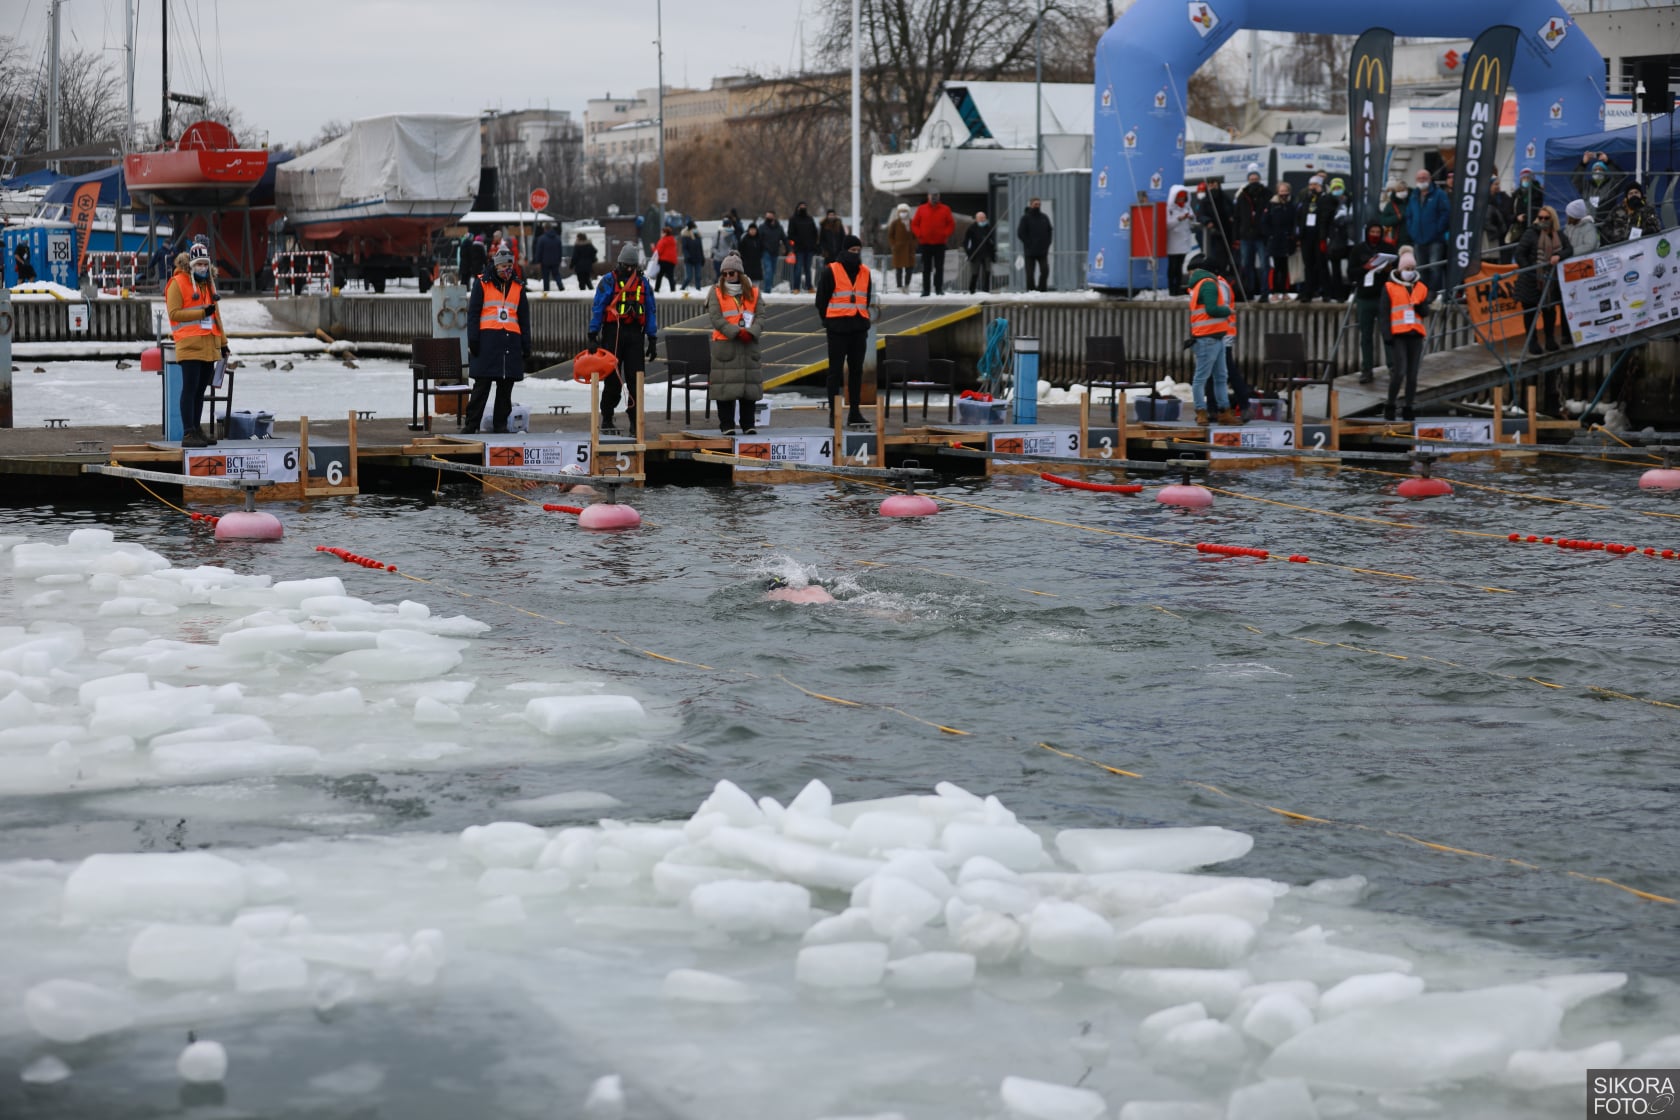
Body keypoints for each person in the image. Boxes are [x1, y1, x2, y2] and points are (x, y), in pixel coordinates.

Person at [588, 243, 660, 433]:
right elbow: (598, 307)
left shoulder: (643, 284)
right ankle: (607, 417)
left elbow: (650, 310)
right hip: (613, 333)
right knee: (612, 379)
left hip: (636, 334)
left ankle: (635, 420)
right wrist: (593, 334)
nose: (629, 270)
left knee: (636, 379)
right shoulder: (608, 282)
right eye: (626, 266)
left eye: (632, 266)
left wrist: (652, 339)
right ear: (619, 263)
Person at [814, 234, 880, 427]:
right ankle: (834, 415)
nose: (855, 254)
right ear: (844, 251)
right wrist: (827, 321)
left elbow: (865, 298)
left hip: (858, 328)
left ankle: (854, 412)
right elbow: (821, 301)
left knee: (856, 371)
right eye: (852, 250)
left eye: (858, 251)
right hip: (837, 328)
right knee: (834, 372)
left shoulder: (865, 272)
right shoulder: (831, 271)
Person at [166, 242, 228, 448]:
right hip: (189, 344)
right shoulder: (177, 283)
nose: (202, 267)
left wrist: (223, 343)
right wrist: (202, 313)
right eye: (199, 264)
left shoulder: (208, 285)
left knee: (201, 389)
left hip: (208, 345)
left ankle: (196, 428)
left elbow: (216, 315)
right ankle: (188, 432)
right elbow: (174, 313)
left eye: (205, 264)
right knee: (190, 388)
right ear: (190, 264)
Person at [463, 246, 530, 434]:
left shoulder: (518, 286)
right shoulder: (482, 283)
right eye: (503, 265)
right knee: (481, 386)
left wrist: (526, 344)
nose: (506, 269)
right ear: (496, 265)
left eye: (510, 265)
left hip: (510, 342)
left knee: (505, 387)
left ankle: (500, 425)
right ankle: (471, 424)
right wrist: (473, 339)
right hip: (487, 342)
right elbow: (474, 313)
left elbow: (523, 318)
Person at [704, 252, 764, 436]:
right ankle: (727, 424)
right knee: (725, 389)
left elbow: (761, 316)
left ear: (739, 273)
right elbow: (716, 318)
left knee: (749, 389)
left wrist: (751, 332)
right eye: (725, 273)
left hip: (748, 347)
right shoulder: (715, 292)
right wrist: (736, 332)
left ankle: (748, 424)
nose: (728, 277)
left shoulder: (753, 292)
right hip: (726, 346)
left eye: (731, 273)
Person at [1513, 205, 1572, 356]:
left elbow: (1569, 249)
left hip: (1551, 280)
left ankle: (1550, 339)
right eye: (1540, 218)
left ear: (1552, 219)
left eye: (1546, 218)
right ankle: (1532, 342)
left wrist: (1559, 256)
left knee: (1550, 310)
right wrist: (1531, 270)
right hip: (1532, 279)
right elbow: (1520, 254)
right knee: (1531, 312)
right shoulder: (1530, 233)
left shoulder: (1558, 234)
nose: (1543, 220)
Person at [1379, 246, 1429, 421]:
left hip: (1416, 334)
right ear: (1400, 270)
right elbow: (1384, 313)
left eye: (1412, 269)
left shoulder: (1421, 287)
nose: (1410, 272)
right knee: (1399, 372)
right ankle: (1390, 404)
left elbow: (1425, 310)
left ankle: (1408, 406)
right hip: (1398, 334)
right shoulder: (1390, 287)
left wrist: (1421, 307)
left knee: (1413, 375)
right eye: (1407, 269)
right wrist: (1387, 335)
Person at [1185, 255, 1233, 425]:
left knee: (1220, 376)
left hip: (1214, 336)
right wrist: (1227, 310)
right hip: (1208, 337)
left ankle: (1224, 411)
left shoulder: (1201, 284)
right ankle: (1202, 411)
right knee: (1202, 378)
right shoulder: (1209, 285)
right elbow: (1212, 309)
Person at [1352, 221, 1394, 385]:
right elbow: (1351, 272)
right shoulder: (1358, 250)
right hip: (1364, 296)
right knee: (1366, 335)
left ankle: (1393, 366)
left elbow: (1397, 270)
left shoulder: (1388, 248)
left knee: (1388, 334)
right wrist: (1366, 267)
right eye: (1373, 232)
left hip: (1383, 296)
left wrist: (1388, 270)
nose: (1375, 235)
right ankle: (1366, 369)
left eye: (1378, 232)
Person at [1403, 171, 1449, 301]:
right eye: (1419, 178)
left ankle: (1434, 293)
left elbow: (1445, 214)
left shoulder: (1439, 194)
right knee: (1421, 268)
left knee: (1435, 267)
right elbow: (1409, 215)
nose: (1422, 180)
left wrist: (1437, 230)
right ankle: (1423, 293)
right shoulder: (1414, 195)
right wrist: (1412, 230)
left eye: (1424, 178)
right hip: (1418, 239)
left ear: (1430, 179)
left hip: (1435, 239)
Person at [1234, 163, 1270, 301]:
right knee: (1246, 265)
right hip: (1246, 236)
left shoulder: (1267, 194)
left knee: (1264, 265)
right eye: (1251, 179)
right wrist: (1236, 237)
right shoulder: (1242, 196)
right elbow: (1237, 218)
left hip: (1261, 236)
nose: (1254, 181)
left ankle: (1264, 292)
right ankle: (1249, 291)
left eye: (1256, 179)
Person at [1296, 175, 1334, 302]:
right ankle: (1308, 292)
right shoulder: (1306, 199)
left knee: (1321, 264)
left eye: (1315, 185)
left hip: (1319, 236)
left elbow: (1326, 216)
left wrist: (1324, 236)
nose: (1312, 187)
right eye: (1311, 184)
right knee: (1308, 265)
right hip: (1307, 236)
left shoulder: (1325, 199)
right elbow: (1301, 216)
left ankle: (1326, 292)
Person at [912, 191, 954, 296]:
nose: (934, 197)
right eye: (932, 195)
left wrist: (945, 234)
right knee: (926, 268)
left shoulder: (945, 209)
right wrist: (919, 234)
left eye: (936, 195)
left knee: (939, 268)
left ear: (939, 196)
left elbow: (951, 224)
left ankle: (938, 289)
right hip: (925, 243)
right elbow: (915, 224)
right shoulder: (921, 209)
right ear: (928, 196)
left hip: (940, 243)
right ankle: (926, 290)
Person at [1262, 180, 1298, 301]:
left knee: (1285, 268)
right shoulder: (1271, 205)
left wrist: (1293, 236)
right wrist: (1271, 235)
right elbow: (1264, 222)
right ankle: (1274, 292)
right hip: (1274, 242)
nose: (1284, 193)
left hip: (1287, 241)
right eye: (1281, 191)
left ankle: (1284, 291)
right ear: (1278, 192)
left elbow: (1295, 222)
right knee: (1275, 268)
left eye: (1286, 191)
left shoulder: (1292, 205)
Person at [1573, 153, 1624, 224]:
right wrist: (1583, 164)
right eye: (1595, 169)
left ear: (1605, 172)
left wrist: (1607, 161)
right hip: (1589, 223)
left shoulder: (1610, 184)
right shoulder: (1586, 186)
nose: (1597, 171)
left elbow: (1620, 177)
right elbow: (1575, 180)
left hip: (1608, 222)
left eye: (1600, 169)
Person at [1165, 186, 1197, 296]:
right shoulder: (1169, 209)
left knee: (1179, 266)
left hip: (1184, 241)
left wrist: (1191, 219)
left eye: (1183, 199)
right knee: (1172, 267)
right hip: (1173, 242)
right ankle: (1171, 288)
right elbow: (1167, 225)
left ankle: (1178, 287)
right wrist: (1178, 219)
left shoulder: (1187, 208)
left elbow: (1193, 223)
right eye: (1179, 199)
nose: (1181, 201)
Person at [1017, 196, 1053, 292]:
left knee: (1045, 270)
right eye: (1035, 204)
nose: (1037, 206)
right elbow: (1021, 233)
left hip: (1042, 251)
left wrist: (1047, 243)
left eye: (1038, 204)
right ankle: (1031, 290)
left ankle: (1042, 289)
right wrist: (1029, 243)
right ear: (1031, 205)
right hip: (1030, 251)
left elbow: (1049, 231)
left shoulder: (1044, 217)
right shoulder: (1025, 218)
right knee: (1030, 273)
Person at [1325, 177, 1353, 299]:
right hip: (1335, 240)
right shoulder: (1328, 202)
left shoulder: (1350, 200)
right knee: (1335, 270)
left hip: (1350, 240)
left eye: (1339, 188)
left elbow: (1351, 218)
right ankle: (1338, 295)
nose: (1337, 190)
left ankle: (1351, 293)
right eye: (1335, 188)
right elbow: (1331, 220)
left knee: (1350, 268)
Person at [788, 203, 820, 292]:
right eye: (801, 207)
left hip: (809, 248)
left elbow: (815, 233)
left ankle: (809, 287)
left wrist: (814, 245)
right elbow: (790, 234)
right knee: (798, 269)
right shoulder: (793, 219)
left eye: (804, 207)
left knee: (808, 269)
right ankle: (796, 287)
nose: (803, 208)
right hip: (799, 249)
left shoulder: (810, 219)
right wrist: (798, 241)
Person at [962, 211, 997, 293]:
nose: (982, 219)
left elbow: (992, 241)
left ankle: (986, 290)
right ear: (976, 219)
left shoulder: (988, 228)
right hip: (976, 254)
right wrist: (969, 252)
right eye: (980, 218)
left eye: (983, 218)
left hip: (986, 253)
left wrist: (993, 253)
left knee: (987, 272)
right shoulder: (971, 228)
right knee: (975, 273)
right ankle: (972, 290)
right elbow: (966, 242)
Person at [888, 203, 916, 292]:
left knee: (909, 269)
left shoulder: (912, 223)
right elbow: (890, 235)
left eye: (905, 211)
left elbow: (916, 235)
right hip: (898, 250)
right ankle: (899, 286)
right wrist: (894, 245)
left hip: (909, 250)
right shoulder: (895, 223)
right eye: (901, 211)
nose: (903, 213)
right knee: (898, 270)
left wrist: (914, 244)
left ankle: (907, 285)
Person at [1484, 174, 1514, 254]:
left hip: (1504, 232)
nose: (1497, 186)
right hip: (1491, 234)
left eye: (1498, 184)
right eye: (1495, 184)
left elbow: (1508, 213)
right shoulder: (1484, 200)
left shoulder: (1505, 198)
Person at [759, 210, 788, 291]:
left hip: (775, 251)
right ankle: (767, 289)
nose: (768, 218)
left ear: (774, 217)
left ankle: (769, 287)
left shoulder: (779, 227)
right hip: (765, 251)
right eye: (767, 216)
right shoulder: (762, 227)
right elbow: (758, 239)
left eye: (770, 216)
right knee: (768, 270)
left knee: (773, 271)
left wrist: (788, 249)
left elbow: (784, 238)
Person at [1377, 180, 1409, 251]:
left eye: (1404, 190)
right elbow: (1383, 221)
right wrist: (1397, 218)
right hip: (1398, 239)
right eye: (1400, 190)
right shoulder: (1391, 205)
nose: (1402, 192)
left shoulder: (1412, 201)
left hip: (1414, 239)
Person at [532, 224, 564, 292]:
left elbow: (539, 250)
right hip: (555, 261)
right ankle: (561, 287)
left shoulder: (542, 238)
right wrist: (559, 259)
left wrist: (538, 260)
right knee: (556, 274)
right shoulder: (557, 238)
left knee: (546, 276)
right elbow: (560, 250)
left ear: (545, 229)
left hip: (545, 261)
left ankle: (546, 289)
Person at [680, 221, 706, 290]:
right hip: (689, 260)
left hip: (698, 259)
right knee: (689, 277)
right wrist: (687, 256)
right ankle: (682, 288)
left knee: (698, 276)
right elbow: (684, 248)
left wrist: (702, 258)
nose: (695, 229)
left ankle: (698, 289)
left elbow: (700, 248)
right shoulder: (685, 236)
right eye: (694, 228)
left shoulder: (698, 236)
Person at [652, 225, 679, 292]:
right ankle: (673, 289)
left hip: (664, 261)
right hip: (672, 261)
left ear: (665, 233)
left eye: (662, 233)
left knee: (659, 275)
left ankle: (656, 289)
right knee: (670, 276)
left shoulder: (663, 240)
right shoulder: (673, 240)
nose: (661, 234)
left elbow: (658, 251)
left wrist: (653, 248)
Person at [711, 217, 739, 282]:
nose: (728, 227)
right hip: (718, 260)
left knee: (727, 277)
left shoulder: (732, 235)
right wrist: (720, 254)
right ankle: (717, 289)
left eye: (729, 225)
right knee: (720, 276)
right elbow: (713, 248)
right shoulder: (718, 234)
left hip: (728, 260)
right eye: (726, 225)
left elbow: (735, 246)